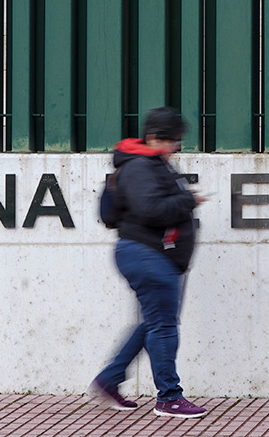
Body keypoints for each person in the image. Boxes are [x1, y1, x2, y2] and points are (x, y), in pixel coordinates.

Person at [87, 107, 208, 419]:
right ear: (154, 137)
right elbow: (150, 209)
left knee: (152, 324)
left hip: (154, 256)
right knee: (165, 326)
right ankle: (169, 397)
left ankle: (109, 379)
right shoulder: (141, 166)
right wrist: (188, 201)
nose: (176, 147)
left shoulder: (150, 164)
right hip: (147, 254)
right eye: (171, 141)